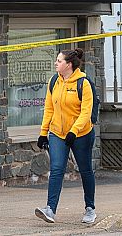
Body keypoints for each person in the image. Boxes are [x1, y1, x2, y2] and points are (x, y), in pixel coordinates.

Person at [35, 48, 96, 224]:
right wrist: (43, 133)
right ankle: (50, 210)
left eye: (59, 61)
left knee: (85, 170)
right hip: (57, 133)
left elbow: (86, 112)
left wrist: (74, 131)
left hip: (81, 134)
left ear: (68, 65)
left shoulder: (83, 83)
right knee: (56, 169)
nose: (56, 63)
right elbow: (49, 109)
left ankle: (90, 209)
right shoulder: (54, 81)